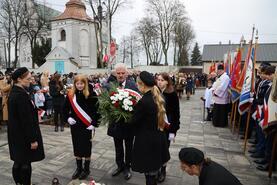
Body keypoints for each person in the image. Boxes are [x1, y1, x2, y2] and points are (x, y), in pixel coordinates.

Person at [132, 71, 170, 185]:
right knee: (153, 172)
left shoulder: (144, 101)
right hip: (158, 138)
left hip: (147, 142)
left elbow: (134, 122)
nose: (137, 87)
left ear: (142, 84)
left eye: (138, 84)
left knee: (149, 176)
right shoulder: (157, 96)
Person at [8, 67, 45, 185]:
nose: (31, 80)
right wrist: (32, 140)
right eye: (28, 79)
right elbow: (26, 120)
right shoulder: (20, 95)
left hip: (16, 134)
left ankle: (19, 183)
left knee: (18, 161)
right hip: (23, 136)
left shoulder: (16, 91)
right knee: (25, 163)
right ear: (19, 79)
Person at [63, 74, 100, 180]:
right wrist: (68, 118)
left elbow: (97, 111)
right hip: (75, 126)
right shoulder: (70, 95)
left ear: (85, 83)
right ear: (75, 84)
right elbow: (64, 109)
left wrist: (94, 124)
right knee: (77, 146)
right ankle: (79, 169)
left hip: (86, 126)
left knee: (86, 148)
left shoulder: (92, 94)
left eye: (82, 83)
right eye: (77, 83)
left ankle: (86, 169)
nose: (79, 85)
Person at [107, 63, 138, 180]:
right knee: (118, 146)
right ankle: (119, 166)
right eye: (118, 73)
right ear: (115, 74)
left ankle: (127, 168)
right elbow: (106, 102)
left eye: (122, 73)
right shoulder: (110, 85)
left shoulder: (133, 85)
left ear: (127, 73)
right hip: (115, 123)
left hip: (128, 124)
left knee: (129, 147)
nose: (120, 75)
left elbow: (137, 103)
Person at [156, 72, 180, 182]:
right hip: (156, 126)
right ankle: (157, 168)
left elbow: (176, 113)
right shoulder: (155, 92)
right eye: (158, 80)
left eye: (162, 80)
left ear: (167, 81)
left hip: (167, 126)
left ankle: (163, 170)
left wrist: (173, 130)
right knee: (156, 148)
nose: (159, 82)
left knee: (164, 149)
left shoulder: (172, 94)